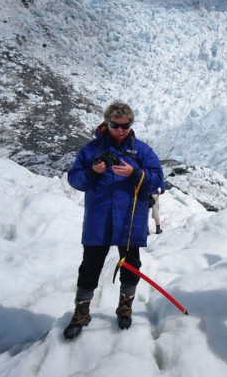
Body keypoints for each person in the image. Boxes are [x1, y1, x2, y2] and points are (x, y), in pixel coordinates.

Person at [64, 100, 164, 340]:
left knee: (131, 266)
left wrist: (135, 173)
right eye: (115, 125)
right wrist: (92, 172)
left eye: (125, 125)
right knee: (90, 267)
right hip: (99, 220)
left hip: (130, 220)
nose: (121, 130)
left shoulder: (142, 151)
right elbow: (75, 179)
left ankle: (125, 308)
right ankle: (81, 313)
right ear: (106, 123)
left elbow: (158, 181)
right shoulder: (91, 150)